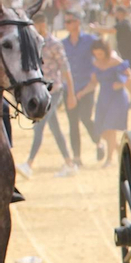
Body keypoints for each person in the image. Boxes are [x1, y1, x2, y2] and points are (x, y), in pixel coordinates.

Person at [20, 11, 73, 178]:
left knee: (40, 126)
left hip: (54, 90)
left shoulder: (54, 44)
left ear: (42, 25)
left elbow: (65, 68)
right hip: (40, 90)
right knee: (55, 128)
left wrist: (71, 92)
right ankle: (69, 162)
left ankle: (29, 163)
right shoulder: (33, 44)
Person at [58, 11, 95, 175]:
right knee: (73, 124)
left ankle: (98, 141)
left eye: (70, 21)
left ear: (78, 22)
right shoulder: (62, 44)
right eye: (65, 22)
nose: (67, 25)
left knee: (86, 118)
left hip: (86, 87)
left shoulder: (90, 40)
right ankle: (77, 156)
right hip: (69, 89)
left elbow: (102, 54)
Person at [88, 39, 131, 165]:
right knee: (102, 131)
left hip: (117, 98)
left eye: (100, 54)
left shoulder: (116, 61)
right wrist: (80, 93)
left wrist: (121, 84)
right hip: (103, 98)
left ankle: (109, 159)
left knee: (110, 128)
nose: (98, 56)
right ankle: (120, 150)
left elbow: (129, 76)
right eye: (96, 54)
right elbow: (93, 83)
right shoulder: (96, 64)